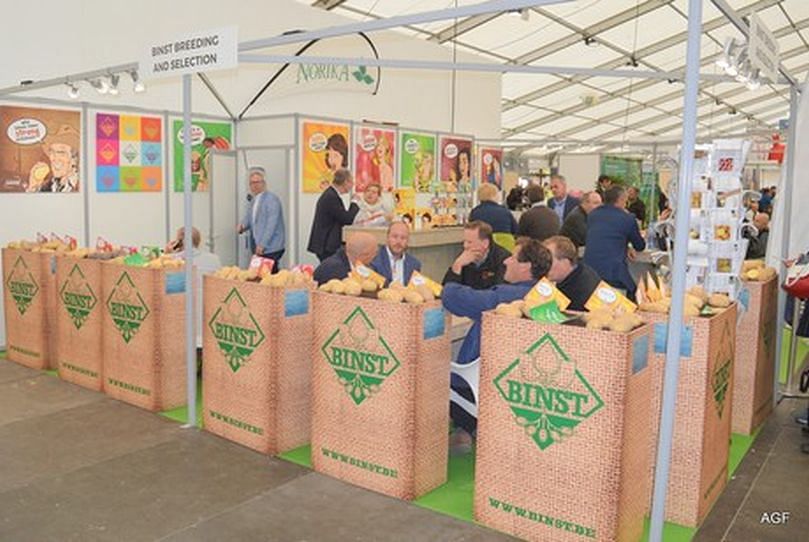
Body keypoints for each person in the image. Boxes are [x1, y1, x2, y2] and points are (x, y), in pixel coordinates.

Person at [442, 238, 553, 441]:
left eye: (513, 257)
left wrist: (457, 266)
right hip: (518, 389)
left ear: (526, 266)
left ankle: (465, 428)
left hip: (477, 385)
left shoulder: (504, 297)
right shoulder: (550, 298)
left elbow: (452, 298)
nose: (505, 261)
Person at [583, 186, 646, 300]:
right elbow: (640, 246)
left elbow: (605, 237)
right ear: (621, 200)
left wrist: (625, 246)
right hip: (613, 274)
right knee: (635, 293)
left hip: (589, 272)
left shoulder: (593, 215)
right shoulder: (627, 219)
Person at [164, 227, 222, 348]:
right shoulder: (214, 259)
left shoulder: (172, 261)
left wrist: (167, 254)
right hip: (209, 319)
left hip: (181, 323)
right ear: (198, 241)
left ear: (178, 242)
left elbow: (168, 291)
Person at [308, 168, 360, 262]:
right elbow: (347, 219)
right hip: (326, 245)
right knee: (330, 273)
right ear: (345, 182)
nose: (352, 185)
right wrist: (354, 202)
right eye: (352, 182)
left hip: (325, 243)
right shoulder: (331, 197)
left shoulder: (331, 194)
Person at [237, 167, 286, 269]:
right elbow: (250, 218)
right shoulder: (254, 200)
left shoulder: (272, 200)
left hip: (271, 248)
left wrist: (263, 244)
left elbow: (271, 225)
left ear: (264, 183)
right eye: (252, 183)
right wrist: (242, 225)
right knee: (261, 277)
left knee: (269, 278)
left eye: (257, 182)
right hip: (258, 246)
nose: (254, 185)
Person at [443, 221, 510, 290]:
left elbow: (498, 292)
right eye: (464, 241)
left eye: (470, 242)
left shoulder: (503, 259)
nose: (465, 246)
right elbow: (446, 291)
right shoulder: (464, 258)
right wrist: (457, 265)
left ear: (485, 243)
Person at [543, 236, 601, 311]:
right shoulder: (579, 271)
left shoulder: (582, 292)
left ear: (565, 262)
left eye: (548, 261)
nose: (543, 266)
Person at [27, 124, 80, 193]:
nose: (54, 158)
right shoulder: (46, 186)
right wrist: (33, 187)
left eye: (61, 152)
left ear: (74, 160)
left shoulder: (81, 184)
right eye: (52, 152)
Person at [313, 231, 378, 284]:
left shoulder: (363, 265)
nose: (375, 256)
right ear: (364, 255)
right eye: (375, 253)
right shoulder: (333, 269)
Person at [370, 221, 422, 286]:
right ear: (387, 238)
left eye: (403, 238)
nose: (398, 241)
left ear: (408, 241)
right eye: (395, 237)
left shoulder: (414, 264)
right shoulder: (374, 259)